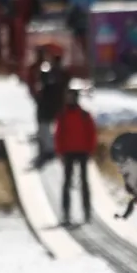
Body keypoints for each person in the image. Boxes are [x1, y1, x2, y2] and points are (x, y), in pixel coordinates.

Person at [53, 84, 97, 225]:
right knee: (66, 183)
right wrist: (60, 152)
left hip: (82, 151)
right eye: (68, 97)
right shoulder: (63, 115)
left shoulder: (84, 115)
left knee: (84, 182)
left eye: (72, 97)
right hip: (68, 152)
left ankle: (87, 210)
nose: (70, 100)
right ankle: (66, 212)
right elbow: (58, 135)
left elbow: (91, 133)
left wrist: (90, 150)